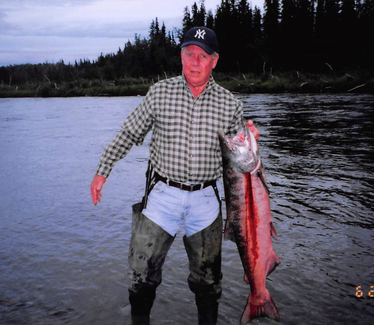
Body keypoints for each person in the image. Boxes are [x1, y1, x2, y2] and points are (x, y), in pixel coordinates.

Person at [90, 27, 259, 325]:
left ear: (214, 61)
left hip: (206, 200)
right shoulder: (160, 92)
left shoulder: (230, 104)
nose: (195, 61)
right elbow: (129, 132)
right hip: (162, 196)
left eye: (202, 56)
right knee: (141, 278)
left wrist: (252, 141)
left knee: (208, 284)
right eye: (189, 54)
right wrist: (102, 171)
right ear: (181, 56)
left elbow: (241, 164)